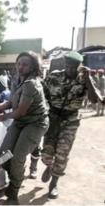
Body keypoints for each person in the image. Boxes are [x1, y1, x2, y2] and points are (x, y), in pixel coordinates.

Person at [0, 51, 49, 204]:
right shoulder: (17, 79)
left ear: (33, 67)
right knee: (4, 154)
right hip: (21, 121)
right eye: (19, 63)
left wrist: (3, 116)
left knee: (17, 158)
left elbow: (20, 111)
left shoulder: (31, 84)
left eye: (25, 64)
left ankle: (13, 193)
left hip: (35, 123)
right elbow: (10, 103)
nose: (21, 67)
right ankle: (14, 177)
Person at [41, 51, 104, 199]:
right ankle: (49, 166)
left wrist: (88, 79)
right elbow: (43, 95)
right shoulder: (54, 76)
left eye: (74, 67)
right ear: (64, 64)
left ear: (79, 66)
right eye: (68, 66)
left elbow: (95, 100)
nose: (70, 69)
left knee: (62, 153)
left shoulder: (84, 79)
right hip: (53, 119)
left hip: (71, 120)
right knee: (47, 153)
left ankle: (54, 184)